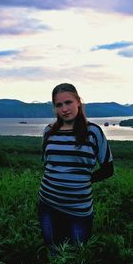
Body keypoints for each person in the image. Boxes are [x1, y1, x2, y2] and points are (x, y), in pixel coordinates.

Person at [38, 83, 114, 254]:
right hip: (48, 205)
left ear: (78, 102)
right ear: (55, 108)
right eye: (59, 105)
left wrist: (83, 181)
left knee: (76, 255)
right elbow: (47, 165)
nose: (64, 109)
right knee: (53, 251)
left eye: (68, 102)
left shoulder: (93, 132)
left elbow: (108, 169)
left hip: (79, 211)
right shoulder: (49, 131)